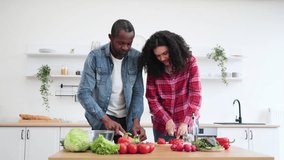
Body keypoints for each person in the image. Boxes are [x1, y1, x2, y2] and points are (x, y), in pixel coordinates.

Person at [77, 19, 146, 142]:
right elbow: (83, 93)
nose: (125, 47)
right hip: (102, 120)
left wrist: (136, 121)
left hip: (128, 121)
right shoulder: (95, 57)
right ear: (110, 37)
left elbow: (138, 93)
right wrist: (105, 119)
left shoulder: (136, 58)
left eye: (129, 43)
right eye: (120, 43)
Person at [138, 30, 202, 142]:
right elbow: (152, 99)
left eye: (165, 53)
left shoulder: (190, 63)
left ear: (174, 50)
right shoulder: (154, 68)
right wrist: (167, 120)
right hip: (162, 127)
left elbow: (195, 96)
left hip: (186, 124)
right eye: (158, 56)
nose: (162, 59)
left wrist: (186, 122)